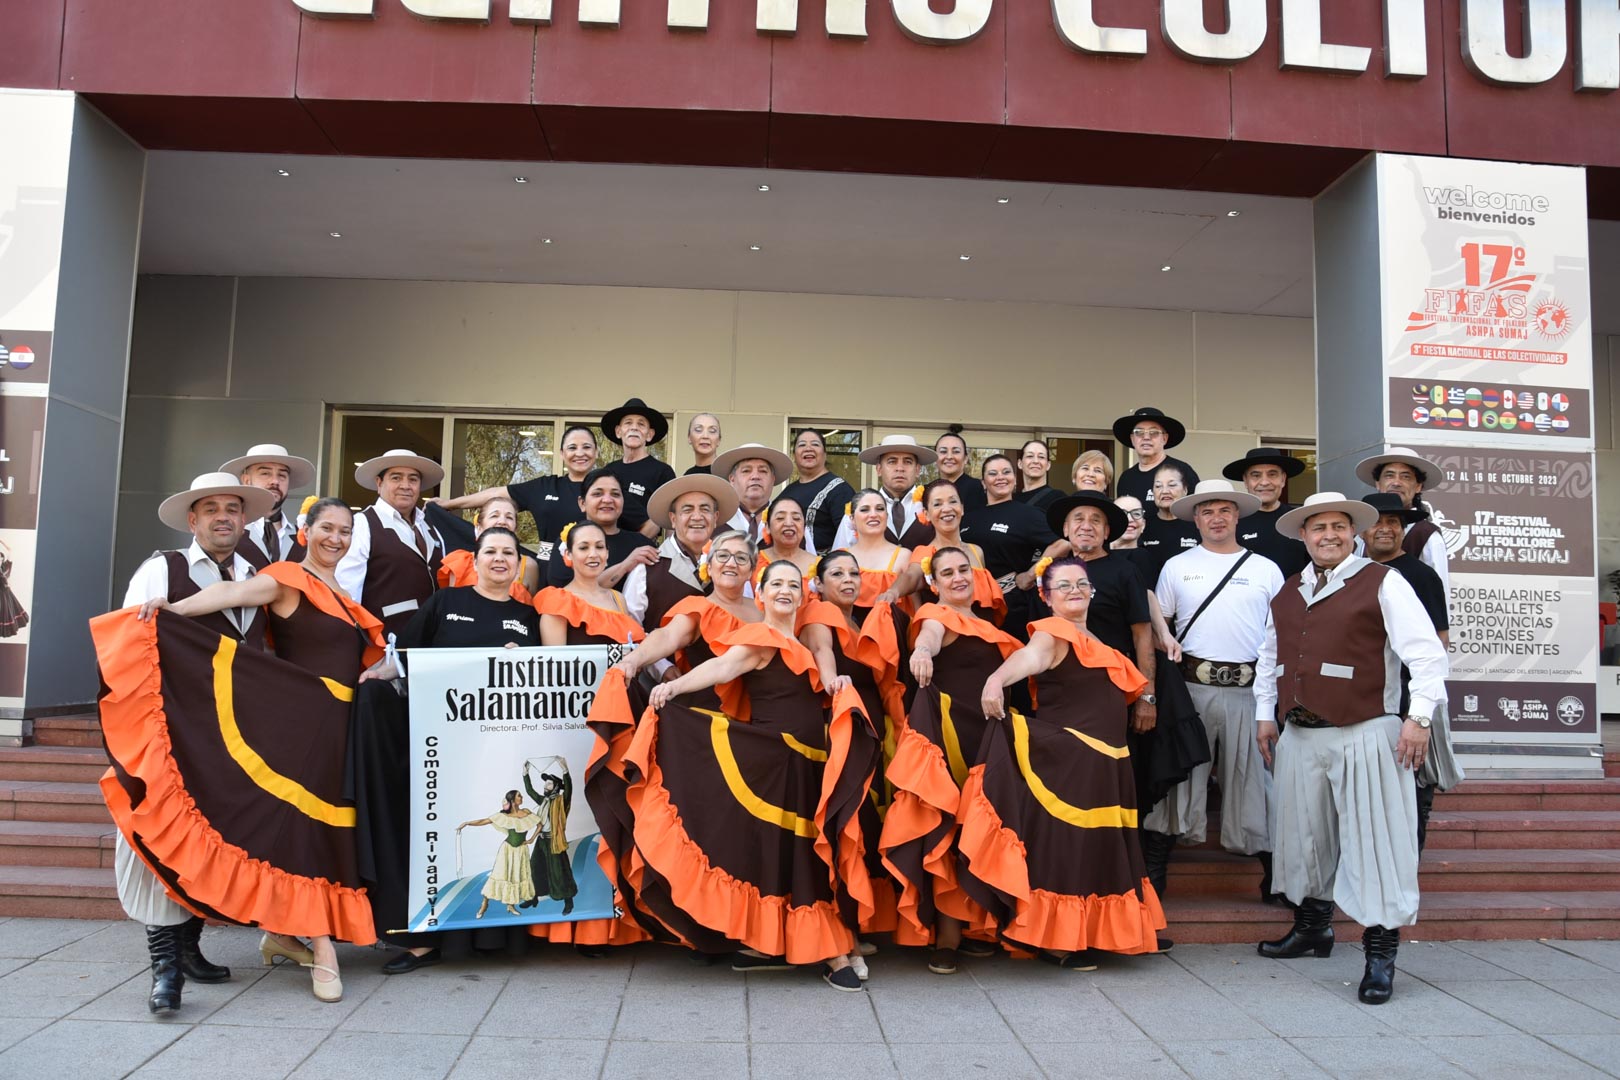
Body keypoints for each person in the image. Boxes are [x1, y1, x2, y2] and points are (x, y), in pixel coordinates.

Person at [114, 495, 388, 1008]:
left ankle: (281, 934)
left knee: (319, 832)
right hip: (300, 728)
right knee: (307, 835)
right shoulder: (286, 575)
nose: (336, 538)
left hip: (339, 730)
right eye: (327, 528)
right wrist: (174, 608)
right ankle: (320, 947)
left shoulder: (344, 594)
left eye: (345, 531)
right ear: (305, 532)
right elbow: (230, 593)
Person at [623, 560, 869, 990]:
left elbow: (825, 667)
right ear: (762, 593)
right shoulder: (762, 637)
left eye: (793, 585)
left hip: (807, 760)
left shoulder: (800, 640)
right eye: (777, 584)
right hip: (777, 760)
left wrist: (835, 682)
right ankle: (831, 951)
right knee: (801, 853)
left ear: (803, 595)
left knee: (790, 853)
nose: (785, 590)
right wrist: (673, 687)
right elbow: (722, 667)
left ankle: (772, 944)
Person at [1254, 492, 1447, 1005]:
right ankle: (1312, 928)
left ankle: (1380, 955)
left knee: (1377, 843)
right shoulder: (1289, 590)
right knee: (1304, 839)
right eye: (1318, 528)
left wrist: (1418, 719)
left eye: (1338, 526)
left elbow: (1427, 655)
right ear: (1303, 535)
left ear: (1353, 533)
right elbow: (1269, 656)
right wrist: (1264, 715)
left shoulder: (1384, 581)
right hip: (1301, 733)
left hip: (1366, 728)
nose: (1329, 535)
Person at [103, 471, 275, 1012]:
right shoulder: (162, 569)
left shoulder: (258, 574)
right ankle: (165, 970)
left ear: (244, 520)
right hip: (170, 733)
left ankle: (190, 946)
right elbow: (128, 646)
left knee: (212, 838)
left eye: (233, 508)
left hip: (232, 736)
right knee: (158, 835)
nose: (224, 517)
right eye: (212, 509)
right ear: (192, 520)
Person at [361, 526, 542, 974]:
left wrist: (523, 660)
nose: (499, 559)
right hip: (437, 745)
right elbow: (405, 656)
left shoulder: (529, 615)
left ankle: (489, 934)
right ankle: (424, 940)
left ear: (518, 564)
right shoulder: (445, 602)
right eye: (490, 551)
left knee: (485, 842)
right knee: (435, 836)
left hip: (496, 747)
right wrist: (379, 677)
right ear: (475, 561)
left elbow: (543, 679)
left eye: (508, 553)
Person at [969, 557, 1166, 965]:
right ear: (1046, 596)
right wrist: (996, 679)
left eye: (1081, 583)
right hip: (1072, 760)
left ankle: (1106, 932)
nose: (1075, 590)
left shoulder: (1095, 639)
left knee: (1099, 847)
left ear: (1092, 591)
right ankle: (1057, 941)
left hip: (1107, 763)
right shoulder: (1052, 632)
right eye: (1064, 585)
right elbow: (1029, 658)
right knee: (1069, 847)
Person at [882, 547, 1022, 972]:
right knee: (949, 826)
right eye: (947, 573)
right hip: (951, 737)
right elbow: (927, 637)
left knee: (983, 827)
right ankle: (947, 933)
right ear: (933, 583)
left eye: (964, 570)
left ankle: (979, 925)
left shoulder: (989, 626)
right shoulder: (934, 615)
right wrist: (922, 652)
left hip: (989, 736)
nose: (958, 577)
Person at [1145, 479, 1285, 902]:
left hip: (1250, 689)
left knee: (1254, 779)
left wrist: (1271, 700)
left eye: (1224, 510)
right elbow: (1158, 622)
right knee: (1180, 774)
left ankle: (1274, 878)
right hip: (1192, 688)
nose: (1216, 518)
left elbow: (1278, 635)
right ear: (1196, 518)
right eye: (1207, 511)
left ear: (1237, 515)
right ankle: (1154, 871)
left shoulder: (1265, 569)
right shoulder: (1177, 566)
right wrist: (1163, 639)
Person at [800, 551, 908, 954]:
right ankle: (842, 927)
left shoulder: (861, 620)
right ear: (819, 583)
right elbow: (822, 652)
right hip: (842, 726)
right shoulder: (818, 614)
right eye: (837, 574)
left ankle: (858, 922)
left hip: (871, 728)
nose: (848, 580)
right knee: (848, 821)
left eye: (853, 573)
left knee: (867, 820)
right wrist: (832, 681)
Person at [1361, 492, 1461, 851]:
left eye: (1394, 522)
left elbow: (1438, 642)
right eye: (1377, 521)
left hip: (1406, 701)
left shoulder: (1421, 575)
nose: (1385, 529)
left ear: (1403, 529)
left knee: (1413, 791)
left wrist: (1418, 709)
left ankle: (1409, 865)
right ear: (1362, 530)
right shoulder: (1353, 572)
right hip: (1364, 702)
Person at [434, 424, 599, 569]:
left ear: (596, 452)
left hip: (596, 567)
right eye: (572, 448)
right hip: (549, 570)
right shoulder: (544, 486)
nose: (579, 453)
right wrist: (449, 504)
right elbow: (495, 494)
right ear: (562, 453)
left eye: (586, 447)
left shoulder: (607, 489)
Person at [337, 448, 447, 638]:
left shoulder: (430, 528)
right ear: (379, 483)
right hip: (383, 645)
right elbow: (347, 594)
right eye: (396, 478)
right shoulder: (362, 524)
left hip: (429, 645)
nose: (405, 485)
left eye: (413, 479)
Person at [962, 454, 1057, 644]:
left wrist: (1031, 574)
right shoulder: (968, 518)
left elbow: (1061, 544)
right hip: (972, 602)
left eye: (1006, 472)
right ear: (983, 483)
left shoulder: (1028, 514)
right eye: (993, 473)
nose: (1000, 477)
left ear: (1014, 479)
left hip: (1011, 603)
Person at [624, 474, 737, 630]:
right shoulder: (647, 568)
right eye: (687, 510)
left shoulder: (729, 564)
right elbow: (630, 631)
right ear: (673, 519)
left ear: (715, 518)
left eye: (705, 509)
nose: (697, 517)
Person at [888, 479, 1006, 624]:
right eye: (937, 504)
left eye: (953, 501)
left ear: (962, 508)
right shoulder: (925, 552)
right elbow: (911, 576)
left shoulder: (976, 551)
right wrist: (893, 592)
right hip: (947, 634)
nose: (947, 508)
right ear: (926, 514)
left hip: (985, 632)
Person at [1355, 446, 1450, 595]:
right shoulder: (1359, 534)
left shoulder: (1426, 535)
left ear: (1418, 486)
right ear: (1378, 483)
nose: (1396, 482)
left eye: (1406, 477)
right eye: (1389, 475)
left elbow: (1439, 591)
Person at [545, 469, 657, 589]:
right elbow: (564, 593)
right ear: (582, 503)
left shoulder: (642, 545)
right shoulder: (568, 543)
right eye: (597, 494)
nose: (607, 500)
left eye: (615, 494)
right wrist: (625, 566)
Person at [831, 435, 936, 550]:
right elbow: (840, 555)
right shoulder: (858, 508)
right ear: (879, 469)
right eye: (892, 462)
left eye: (907, 462)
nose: (900, 468)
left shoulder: (933, 504)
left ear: (917, 470)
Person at [222, 443, 316, 569]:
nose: (275, 481)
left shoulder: (304, 538)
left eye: (282, 475)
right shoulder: (226, 532)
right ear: (246, 480)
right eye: (265, 473)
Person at [1223, 447, 1309, 578]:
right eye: (1256, 475)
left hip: (1295, 591)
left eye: (1272, 474)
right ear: (1246, 481)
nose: (1264, 482)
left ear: (1283, 479)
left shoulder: (1299, 519)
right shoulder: (1231, 523)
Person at [436, 494, 539, 602]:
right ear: (479, 527)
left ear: (516, 529)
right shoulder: (460, 563)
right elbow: (451, 605)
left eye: (509, 517)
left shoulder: (528, 566)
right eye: (494, 516)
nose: (502, 521)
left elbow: (530, 609)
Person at [602, 397, 676, 539]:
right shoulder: (608, 471)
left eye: (641, 424)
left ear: (649, 434)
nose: (634, 428)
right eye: (628, 423)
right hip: (608, 546)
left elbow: (670, 522)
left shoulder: (662, 472)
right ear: (618, 431)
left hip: (645, 548)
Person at [460, 791, 541, 919]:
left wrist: (531, 839)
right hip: (507, 850)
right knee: (499, 875)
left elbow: (540, 824)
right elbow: (485, 821)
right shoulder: (504, 816)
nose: (522, 797)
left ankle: (510, 905)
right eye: (519, 796)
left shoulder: (526, 812)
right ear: (512, 800)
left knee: (515, 877)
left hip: (521, 851)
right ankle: (484, 904)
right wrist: (467, 823)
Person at [779, 428, 856, 555]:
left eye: (815, 444)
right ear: (794, 455)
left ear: (825, 454)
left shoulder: (840, 490)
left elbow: (850, 537)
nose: (808, 448)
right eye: (802, 445)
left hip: (825, 564)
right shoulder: (787, 492)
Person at [840, 488, 912, 622]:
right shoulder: (840, 557)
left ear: (887, 516)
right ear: (852, 519)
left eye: (879, 509)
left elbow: (914, 609)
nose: (873, 514)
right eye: (864, 510)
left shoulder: (903, 556)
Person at [1113, 407, 1199, 507]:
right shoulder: (1126, 478)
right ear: (1132, 439)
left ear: (1164, 438)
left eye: (1154, 432)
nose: (1146, 437)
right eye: (1139, 432)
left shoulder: (1182, 471)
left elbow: (1198, 510)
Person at [522, 762, 577, 915]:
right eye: (545, 784)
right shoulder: (543, 801)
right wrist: (525, 773)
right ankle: (533, 898)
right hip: (541, 840)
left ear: (556, 787)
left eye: (549, 784)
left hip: (554, 841)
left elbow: (569, 789)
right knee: (535, 868)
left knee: (559, 872)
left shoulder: (562, 801)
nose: (545, 786)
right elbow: (530, 791)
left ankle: (568, 901)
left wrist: (565, 770)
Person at [1135, 463, 1199, 589]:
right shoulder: (1143, 527)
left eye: (1172, 485)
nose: (1164, 491)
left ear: (1185, 490)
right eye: (1158, 486)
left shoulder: (1197, 525)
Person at [712, 443, 793, 543]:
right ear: (732, 479)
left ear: (773, 479)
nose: (755, 476)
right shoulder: (716, 521)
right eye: (746, 471)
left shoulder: (791, 522)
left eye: (763, 471)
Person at [757, 494, 817, 575]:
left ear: (804, 527)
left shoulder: (820, 566)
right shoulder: (752, 562)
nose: (789, 523)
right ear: (767, 527)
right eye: (780, 518)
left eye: (796, 518)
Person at [934, 428, 985, 514]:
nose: (949, 457)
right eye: (943, 451)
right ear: (935, 458)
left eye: (956, 451)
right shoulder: (929, 489)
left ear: (965, 459)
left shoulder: (974, 487)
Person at [1013, 439, 1064, 514]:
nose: (1036, 461)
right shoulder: (1012, 500)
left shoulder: (1059, 498)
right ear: (1020, 464)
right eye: (1030, 456)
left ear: (1048, 465)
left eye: (1041, 457)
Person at [0, 539, 25, 638]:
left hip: (7, 593)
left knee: (8, 613)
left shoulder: (6, 566)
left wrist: (1, 541)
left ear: (2, 559)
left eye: (0, 558)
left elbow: (10, 549)